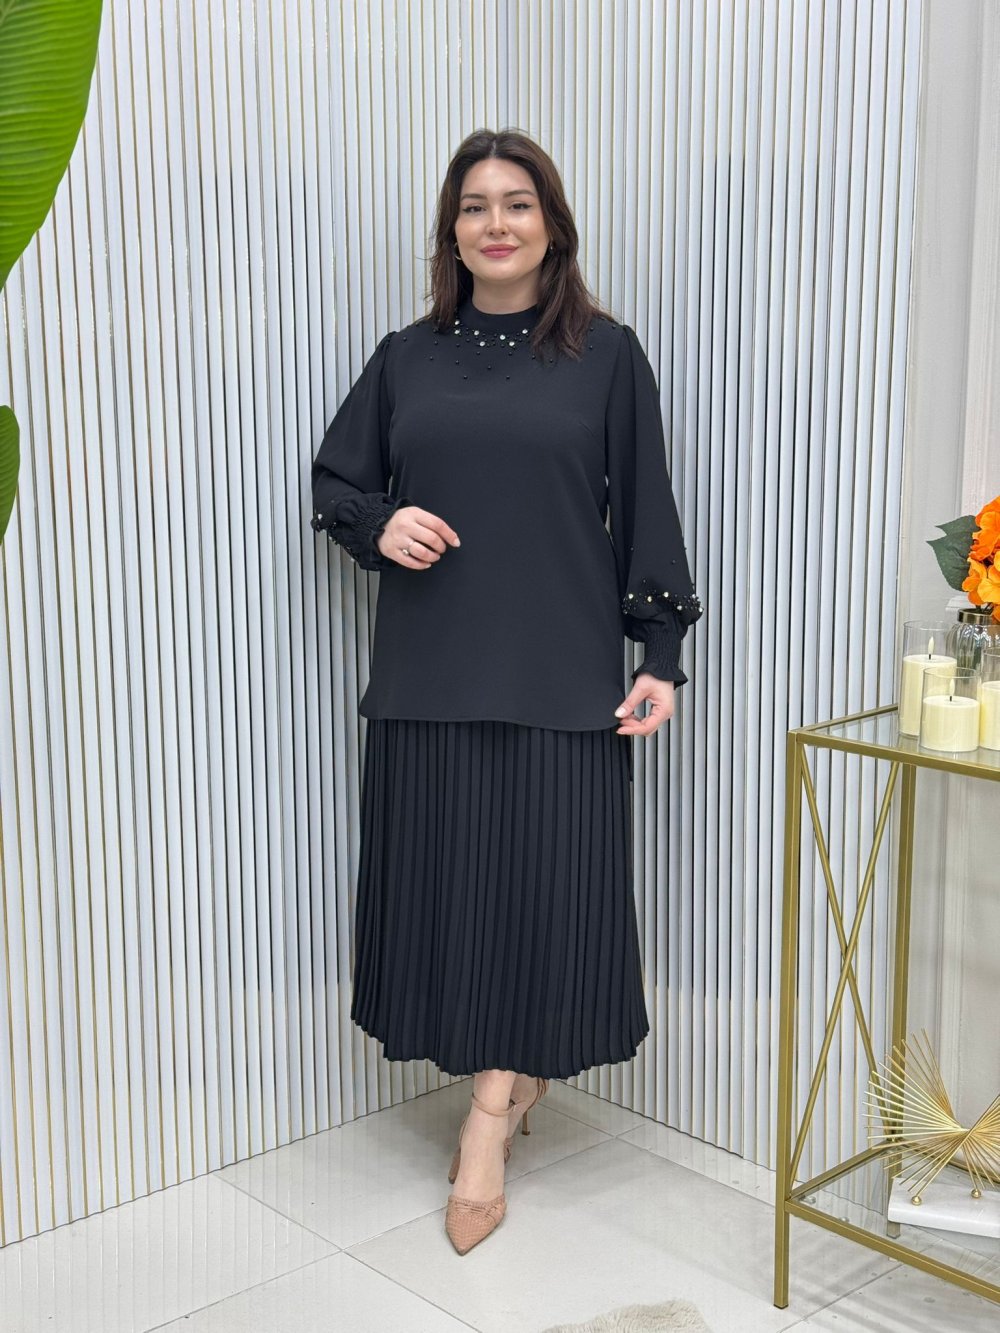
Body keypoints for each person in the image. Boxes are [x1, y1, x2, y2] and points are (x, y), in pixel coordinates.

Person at [310, 129, 702, 1255]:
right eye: (475, 205)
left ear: (551, 225)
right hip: (429, 674)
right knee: (456, 905)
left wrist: (658, 654)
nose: (495, 223)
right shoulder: (407, 357)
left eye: (517, 203)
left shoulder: (607, 356)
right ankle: (508, 1081)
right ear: (452, 231)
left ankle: (486, 1123)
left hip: (562, 676)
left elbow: (648, 509)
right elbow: (337, 481)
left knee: (545, 903)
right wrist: (380, 522)